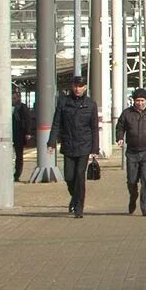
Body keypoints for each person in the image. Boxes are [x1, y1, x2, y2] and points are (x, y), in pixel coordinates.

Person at [47, 76, 100, 218]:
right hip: (69, 144)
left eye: (80, 86)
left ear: (85, 87)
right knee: (69, 177)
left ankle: (79, 208)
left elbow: (94, 127)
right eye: (75, 86)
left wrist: (95, 149)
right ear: (72, 87)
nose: (77, 89)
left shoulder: (90, 104)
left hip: (84, 146)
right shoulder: (64, 102)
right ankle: (75, 197)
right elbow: (56, 123)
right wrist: (51, 142)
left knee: (79, 176)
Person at [116, 88, 146, 216]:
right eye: (137, 100)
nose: (140, 103)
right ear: (134, 101)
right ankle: (133, 197)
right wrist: (120, 138)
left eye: (142, 100)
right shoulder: (127, 113)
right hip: (132, 152)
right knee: (132, 180)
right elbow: (120, 126)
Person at [11, 90, 32, 182]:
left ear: (18, 98)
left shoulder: (22, 107)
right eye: (12, 98)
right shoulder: (7, 107)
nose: (13, 100)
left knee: (19, 155)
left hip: (19, 134)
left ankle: (17, 174)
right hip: (10, 133)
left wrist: (28, 132)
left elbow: (28, 120)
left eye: (14, 98)